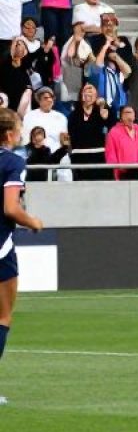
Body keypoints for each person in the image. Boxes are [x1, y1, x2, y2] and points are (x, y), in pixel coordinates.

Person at [0, 108, 44, 403]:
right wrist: (33, 222)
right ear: (8, 134)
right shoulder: (13, 162)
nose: (21, 135)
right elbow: (11, 208)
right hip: (1, 247)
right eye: (19, 129)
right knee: (3, 315)